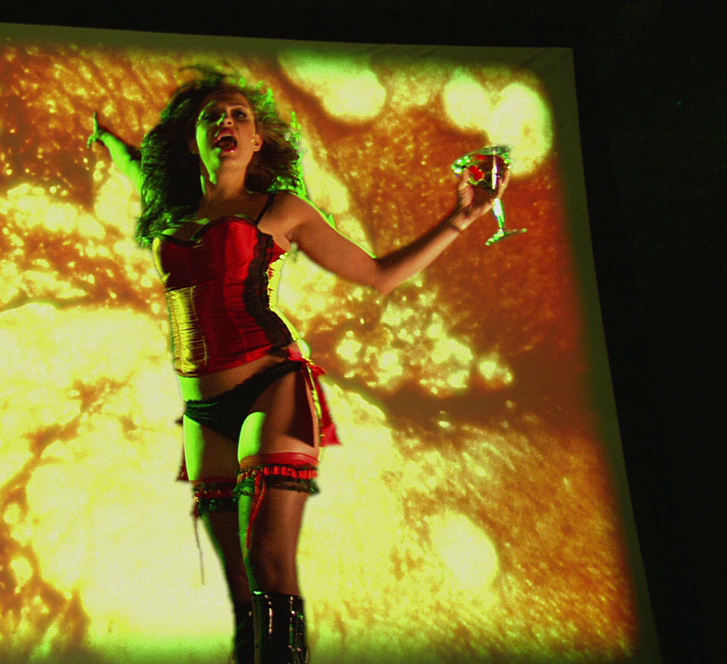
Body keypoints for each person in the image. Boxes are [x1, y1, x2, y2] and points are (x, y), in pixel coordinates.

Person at [88, 67, 506, 664]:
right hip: (202, 412)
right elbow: (136, 166)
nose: (227, 122)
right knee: (240, 590)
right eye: (213, 116)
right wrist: (106, 138)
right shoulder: (171, 212)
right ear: (193, 139)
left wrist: (461, 217)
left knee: (268, 562)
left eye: (239, 116)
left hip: (270, 385)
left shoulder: (281, 210)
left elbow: (379, 275)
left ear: (256, 141)